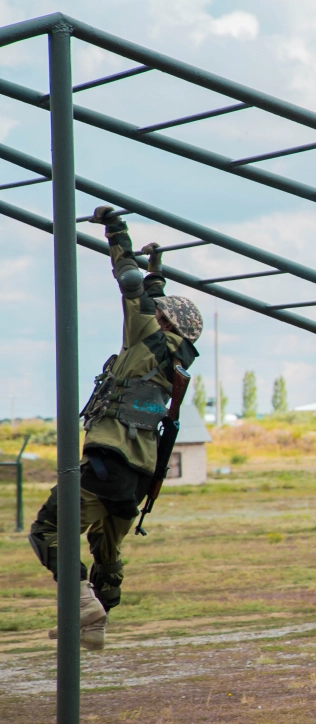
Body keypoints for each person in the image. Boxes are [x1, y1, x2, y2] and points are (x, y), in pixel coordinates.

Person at [28, 206, 202, 651]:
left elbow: (128, 278)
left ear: (162, 321)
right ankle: (98, 619)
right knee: (105, 547)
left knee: (47, 530)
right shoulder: (176, 359)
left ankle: (81, 605)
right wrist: (158, 269)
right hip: (137, 478)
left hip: (108, 462)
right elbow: (153, 297)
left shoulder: (146, 334)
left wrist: (115, 228)